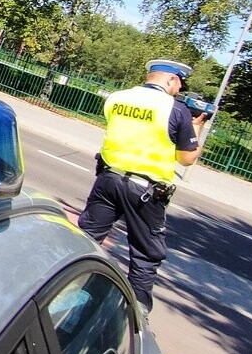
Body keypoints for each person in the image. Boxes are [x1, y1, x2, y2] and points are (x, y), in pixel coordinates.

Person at [77, 59, 207, 315]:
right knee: (146, 254)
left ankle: (65, 287)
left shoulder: (117, 98)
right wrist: (195, 128)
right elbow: (186, 158)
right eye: (179, 84)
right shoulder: (175, 108)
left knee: (87, 237)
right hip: (146, 191)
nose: (179, 90)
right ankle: (136, 312)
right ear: (170, 79)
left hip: (108, 179)